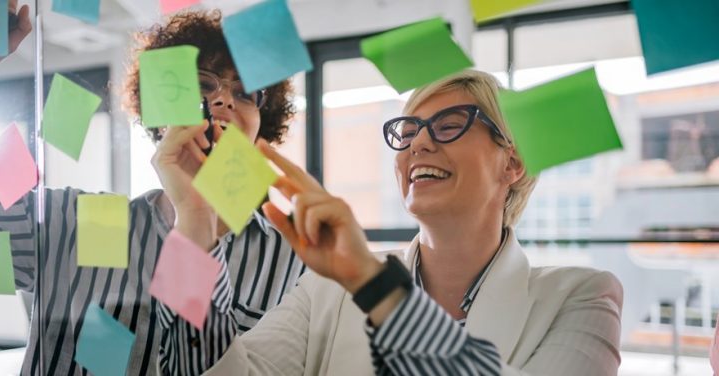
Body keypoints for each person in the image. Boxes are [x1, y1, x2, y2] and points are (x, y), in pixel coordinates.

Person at [0, 3, 303, 375]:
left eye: (245, 94)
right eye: (203, 83)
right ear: (158, 112)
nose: (223, 100)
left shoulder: (290, 260)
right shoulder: (71, 224)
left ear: (261, 128)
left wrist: (196, 216)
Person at [158, 70, 624, 375]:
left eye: (448, 125)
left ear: (513, 163)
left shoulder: (583, 297)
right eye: (408, 131)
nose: (417, 144)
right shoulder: (326, 291)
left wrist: (372, 282)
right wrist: (193, 227)